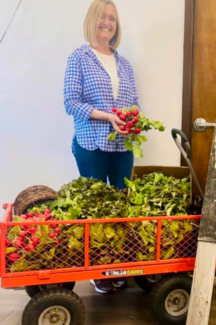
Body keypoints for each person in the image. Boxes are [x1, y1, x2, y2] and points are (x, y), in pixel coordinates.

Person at [63, 0, 137, 294]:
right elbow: (70, 101)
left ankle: (117, 262)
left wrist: (134, 120)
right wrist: (107, 116)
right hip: (90, 143)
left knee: (120, 206)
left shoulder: (125, 64)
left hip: (123, 146)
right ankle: (98, 269)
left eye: (113, 19)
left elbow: (134, 104)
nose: (108, 22)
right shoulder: (78, 57)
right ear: (92, 20)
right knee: (95, 209)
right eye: (103, 17)